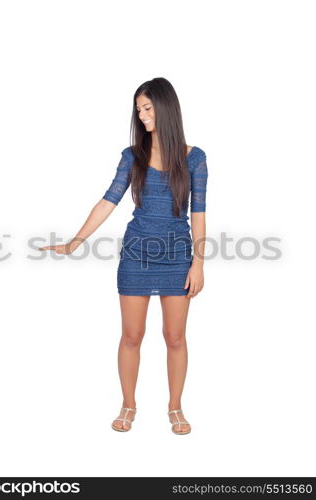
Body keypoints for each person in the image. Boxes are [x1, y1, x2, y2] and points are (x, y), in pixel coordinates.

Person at [38, 77, 208, 435]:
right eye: (139, 110)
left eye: (147, 108)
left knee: (175, 337)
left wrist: (198, 262)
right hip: (136, 256)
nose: (143, 116)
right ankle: (128, 403)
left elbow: (200, 213)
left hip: (178, 258)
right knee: (131, 335)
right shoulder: (133, 156)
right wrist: (75, 241)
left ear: (165, 108)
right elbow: (108, 201)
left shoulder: (195, 159)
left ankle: (175, 407)